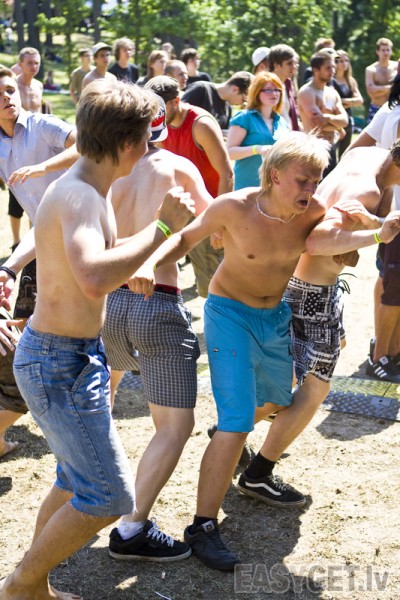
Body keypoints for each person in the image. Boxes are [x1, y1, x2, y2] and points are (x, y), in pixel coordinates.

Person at [1, 79, 195, 599]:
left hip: (72, 357)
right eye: (148, 137)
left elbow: (84, 259)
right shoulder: (81, 194)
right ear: (128, 143)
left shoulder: (85, 186)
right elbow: (91, 276)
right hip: (58, 361)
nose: (151, 147)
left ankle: (33, 586)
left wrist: (141, 254)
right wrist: (160, 230)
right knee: (108, 496)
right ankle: (19, 587)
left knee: (73, 481)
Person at [128, 132, 331, 569]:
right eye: (303, 180)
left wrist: (356, 243)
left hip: (274, 317)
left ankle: (227, 435)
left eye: (316, 181)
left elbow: (334, 241)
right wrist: (148, 261)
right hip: (229, 315)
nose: (311, 189)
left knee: (277, 402)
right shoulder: (233, 208)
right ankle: (202, 526)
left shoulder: (314, 211)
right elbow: (185, 238)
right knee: (237, 423)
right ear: (274, 175)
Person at [237, 143, 400, 516]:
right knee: (315, 389)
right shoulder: (369, 190)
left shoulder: (367, 156)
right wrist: (376, 234)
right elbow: (317, 241)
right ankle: (257, 471)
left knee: (293, 378)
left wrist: (366, 230)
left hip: (295, 282)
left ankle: (231, 432)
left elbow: (330, 223)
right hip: (314, 294)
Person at [102, 98, 213, 561]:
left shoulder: (105, 170)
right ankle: (132, 528)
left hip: (108, 303)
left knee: (104, 401)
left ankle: (97, 497)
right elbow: (212, 225)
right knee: (174, 425)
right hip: (157, 300)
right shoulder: (177, 167)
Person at [0, 64, 78, 459]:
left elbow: (88, 145)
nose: (7, 97)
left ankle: (70, 399)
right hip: (41, 243)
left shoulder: (42, 124)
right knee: (27, 323)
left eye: (9, 90)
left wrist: (44, 167)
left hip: (78, 238)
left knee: (73, 324)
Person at [145, 75, 232, 297]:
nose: (154, 115)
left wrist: (220, 223)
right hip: (178, 210)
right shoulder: (160, 125)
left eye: (159, 108)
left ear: (176, 101)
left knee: (216, 286)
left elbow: (226, 173)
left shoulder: (200, 125)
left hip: (207, 212)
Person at [226, 71, 289, 189]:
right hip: (247, 188)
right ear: (256, 92)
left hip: (274, 189)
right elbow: (229, 153)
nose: (274, 93)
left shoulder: (282, 122)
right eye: (268, 90)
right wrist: (257, 149)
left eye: (277, 90)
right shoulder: (244, 117)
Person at [8, 47, 43, 250]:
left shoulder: (39, 85)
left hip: (37, 145)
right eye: (29, 62)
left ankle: (33, 240)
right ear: (20, 64)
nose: (34, 66)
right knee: (15, 196)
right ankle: (15, 241)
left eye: (37, 62)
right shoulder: (12, 87)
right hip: (15, 145)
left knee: (36, 193)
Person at [297, 50, 348, 176]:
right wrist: (337, 125)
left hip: (331, 148)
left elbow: (345, 120)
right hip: (313, 149)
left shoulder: (332, 93)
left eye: (334, 67)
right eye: (328, 68)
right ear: (316, 70)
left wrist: (327, 117)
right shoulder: (307, 92)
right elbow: (317, 124)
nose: (333, 71)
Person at [181, 71, 253, 130]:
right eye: (244, 100)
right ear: (235, 89)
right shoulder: (201, 89)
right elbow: (179, 115)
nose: (242, 104)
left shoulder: (228, 108)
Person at [332, 50, 363, 158]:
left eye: (346, 60)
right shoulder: (331, 81)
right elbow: (332, 103)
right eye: (341, 61)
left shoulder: (351, 81)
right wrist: (351, 102)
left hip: (348, 121)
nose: (344, 63)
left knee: (345, 154)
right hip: (334, 122)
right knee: (331, 155)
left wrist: (342, 102)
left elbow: (360, 100)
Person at [365, 37, 397, 124]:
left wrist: (378, 89)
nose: (386, 53)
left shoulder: (396, 67)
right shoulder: (371, 70)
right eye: (383, 50)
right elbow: (371, 92)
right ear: (377, 51)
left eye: (388, 50)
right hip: (376, 108)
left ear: (391, 51)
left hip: (393, 107)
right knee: (372, 133)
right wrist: (391, 88)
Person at [268, 44, 300, 130]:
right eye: (289, 63)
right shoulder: (266, 87)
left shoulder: (287, 84)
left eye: (294, 63)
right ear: (276, 65)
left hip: (288, 134)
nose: (294, 67)